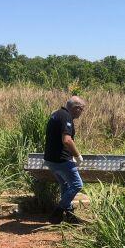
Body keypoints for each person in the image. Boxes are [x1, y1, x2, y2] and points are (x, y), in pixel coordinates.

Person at [43, 96, 86, 224]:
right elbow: (67, 140)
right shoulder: (66, 117)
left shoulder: (56, 114)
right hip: (60, 160)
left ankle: (69, 215)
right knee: (77, 185)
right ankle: (58, 211)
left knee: (65, 185)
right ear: (76, 108)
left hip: (50, 160)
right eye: (81, 110)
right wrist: (77, 156)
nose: (81, 112)